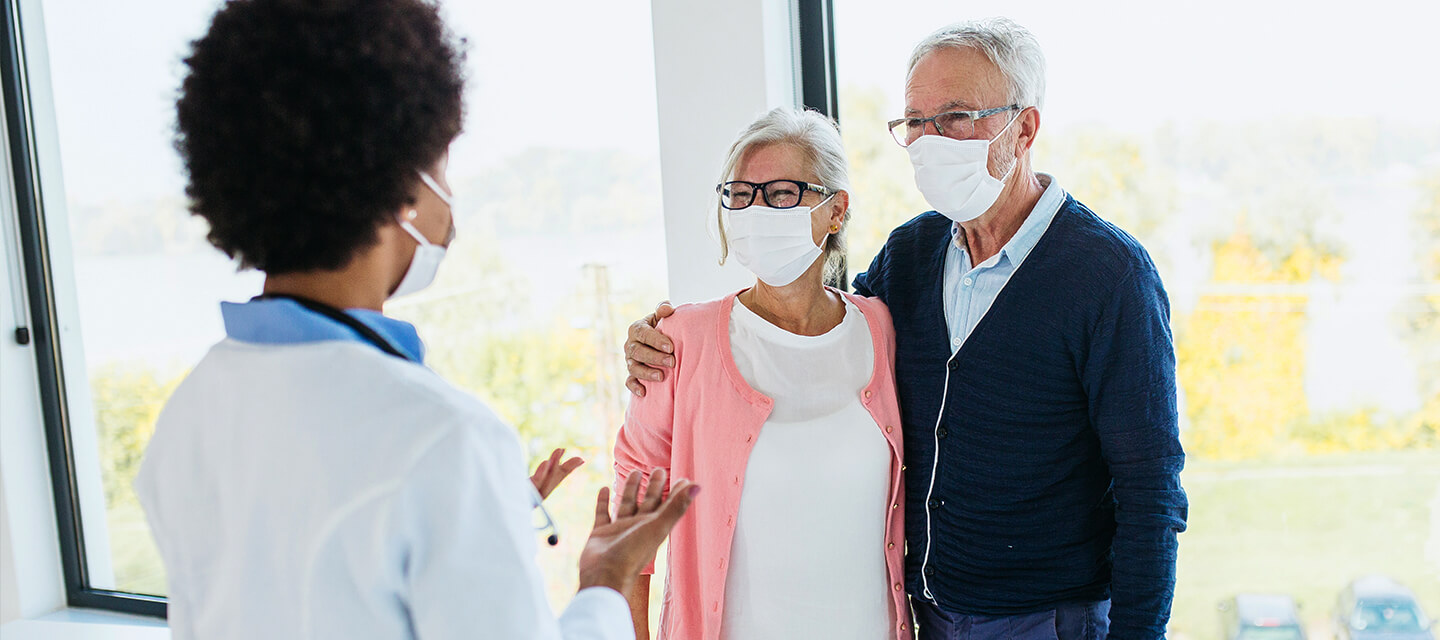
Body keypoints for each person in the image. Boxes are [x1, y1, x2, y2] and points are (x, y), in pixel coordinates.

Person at [134, 1, 694, 638]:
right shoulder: (442, 439)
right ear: (401, 185)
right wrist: (606, 583)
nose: (449, 199)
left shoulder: (189, 411)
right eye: (444, 163)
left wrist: (473, 521)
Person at [624, 18, 1188, 640]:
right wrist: (662, 338)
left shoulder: (1108, 275)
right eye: (915, 122)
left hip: (1049, 619)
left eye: (954, 116)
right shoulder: (912, 256)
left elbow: (1150, 488)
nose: (929, 140)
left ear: (1024, 127)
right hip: (926, 617)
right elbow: (816, 323)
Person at [613, 107, 910, 640]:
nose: (755, 211)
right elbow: (629, 520)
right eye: (739, 194)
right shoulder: (680, 341)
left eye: (780, 194)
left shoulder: (880, 327)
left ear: (836, 210)